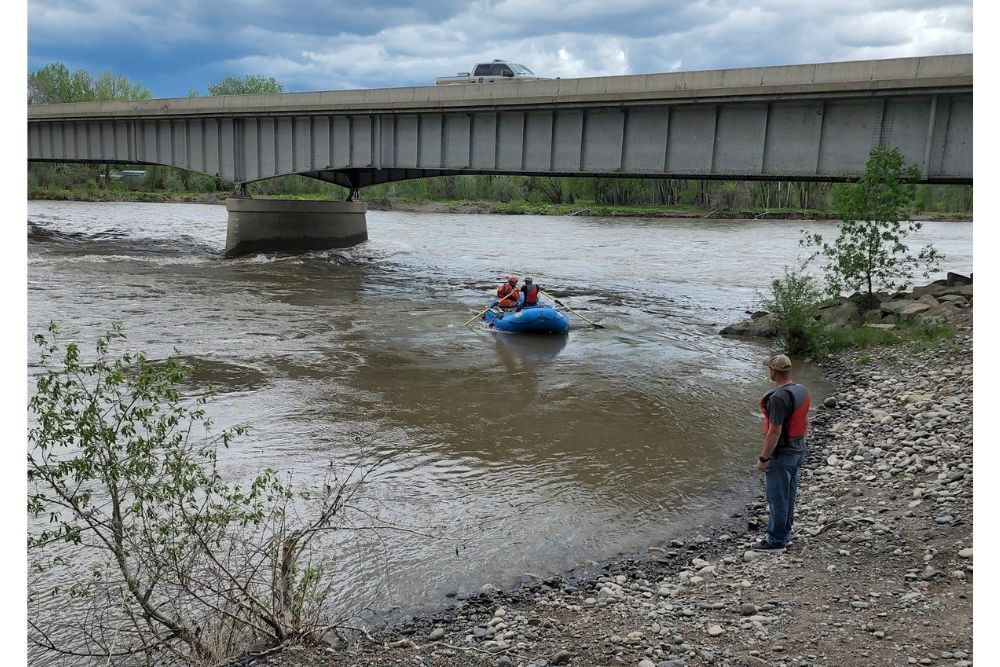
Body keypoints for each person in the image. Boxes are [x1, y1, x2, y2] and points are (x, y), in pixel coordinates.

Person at [753, 354, 811, 552]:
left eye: (768, 368)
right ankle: (785, 535)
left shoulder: (778, 398)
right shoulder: (801, 390)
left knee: (777, 498)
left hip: (782, 454)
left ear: (773, 371)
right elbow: (805, 421)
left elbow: (774, 431)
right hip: (798, 449)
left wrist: (763, 458)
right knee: (789, 495)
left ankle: (776, 541)